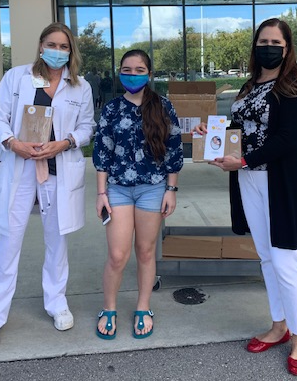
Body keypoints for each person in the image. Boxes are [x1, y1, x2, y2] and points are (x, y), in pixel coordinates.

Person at [194, 18, 297, 376]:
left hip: (279, 182)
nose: (268, 46)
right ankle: (279, 325)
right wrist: (212, 131)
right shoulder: (251, 85)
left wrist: (245, 159)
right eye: (263, 41)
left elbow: (287, 139)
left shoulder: (296, 88)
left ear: (287, 47)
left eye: (275, 41)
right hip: (248, 179)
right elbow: (241, 129)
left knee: (284, 260)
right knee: (265, 257)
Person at [0, 22, 95, 348]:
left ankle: (56, 303)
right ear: (40, 46)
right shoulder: (17, 77)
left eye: (64, 47)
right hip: (19, 167)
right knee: (7, 240)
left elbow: (87, 126)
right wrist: (12, 143)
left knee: (56, 241)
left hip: (56, 169)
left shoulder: (80, 87)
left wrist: (64, 143)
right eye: (52, 44)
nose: (57, 51)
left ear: (71, 51)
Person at [92, 49, 183, 340]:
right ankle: (109, 308)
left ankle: (143, 307)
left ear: (150, 74)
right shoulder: (111, 109)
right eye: (127, 69)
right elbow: (102, 152)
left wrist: (171, 189)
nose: (133, 75)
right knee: (117, 255)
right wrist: (101, 192)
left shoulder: (164, 106)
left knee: (145, 251)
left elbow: (174, 150)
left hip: (153, 188)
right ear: (120, 72)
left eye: (139, 69)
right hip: (117, 189)